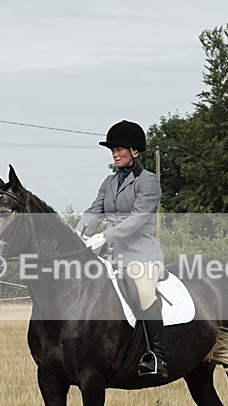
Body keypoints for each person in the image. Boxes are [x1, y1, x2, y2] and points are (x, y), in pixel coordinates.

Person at [76, 120, 167, 378]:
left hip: (140, 253)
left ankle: (157, 357)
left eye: (120, 149)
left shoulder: (148, 182)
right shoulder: (109, 182)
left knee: (144, 291)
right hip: (110, 254)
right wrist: (77, 235)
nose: (115, 154)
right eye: (112, 149)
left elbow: (137, 220)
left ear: (135, 151)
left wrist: (104, 236)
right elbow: (94, 212)